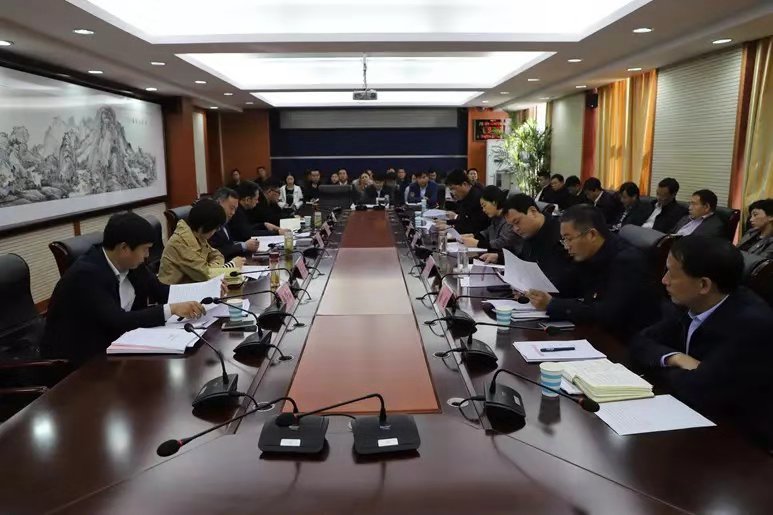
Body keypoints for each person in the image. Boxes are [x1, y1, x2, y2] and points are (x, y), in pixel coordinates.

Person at [630, 236, 773, 449]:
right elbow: (640, 341)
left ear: (704, 284)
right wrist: (676, 358)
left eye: (672, 274)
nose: (664, 280)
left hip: (740, 441)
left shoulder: (752, 326)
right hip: (693, 416)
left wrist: (659, 367)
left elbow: (698, 389)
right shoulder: (691, 301)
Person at [42, 213, 204, 363]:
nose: (147, 255)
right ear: (124, 248)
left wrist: (204, 294)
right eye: (145, 249)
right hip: (83, 361)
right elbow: (117, 320)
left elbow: (161, 291)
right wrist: (171, 309)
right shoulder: (86, 275)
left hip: (121, 347)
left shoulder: (132, 265)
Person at [526, 205, 661, 338]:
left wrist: (553, 305)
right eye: (564, 239)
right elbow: (568, 284)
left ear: (592, 234)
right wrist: (539, 291)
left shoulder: (627, 261)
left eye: (569, 239)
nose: (566, 246)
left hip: (623, 340)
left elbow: (607, 313)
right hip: (598, 330)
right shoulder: (588, 252)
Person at [480, 194, 573, 288]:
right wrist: (499, 257)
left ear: (533, 211)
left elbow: (561, 278)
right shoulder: (530, 232)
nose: (515, 229)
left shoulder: (561, 235)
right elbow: (523, 258)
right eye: (511, 226)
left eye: (517, 222)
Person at [159, 199, 242, 285]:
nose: (216, 231)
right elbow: (205, 275)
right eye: (215, 228)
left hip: (194, 285)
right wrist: (231, 265)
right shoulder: (180, 242)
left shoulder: (196, 235)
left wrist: (212, 269)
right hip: (175, 291)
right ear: (203, 226)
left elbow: (217, 255)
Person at [459, 185, 522, 253]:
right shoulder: (496, 217)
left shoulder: (508, 217)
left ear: (494, 202)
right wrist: (473, 236)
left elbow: (504, 242)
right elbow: (488, 231)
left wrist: (478, 243)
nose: (483, 210)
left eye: (484, 205)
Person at [208, 187, 259, 261]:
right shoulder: (209, 224)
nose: (233, 213)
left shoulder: (224, 222)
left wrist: (243, 244)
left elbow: (228, 244)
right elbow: (215, 252)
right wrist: (243, 245)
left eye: (235, 209)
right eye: (231, 208)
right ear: (218, 203)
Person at [443, 168, 489, 236]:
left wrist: (448, 227)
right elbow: (462, 218)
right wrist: (446, 222)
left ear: (464, 184)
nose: (452, 193)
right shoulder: (465, 197)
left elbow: (473, 227)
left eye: (453, 188)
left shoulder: (477, 198)